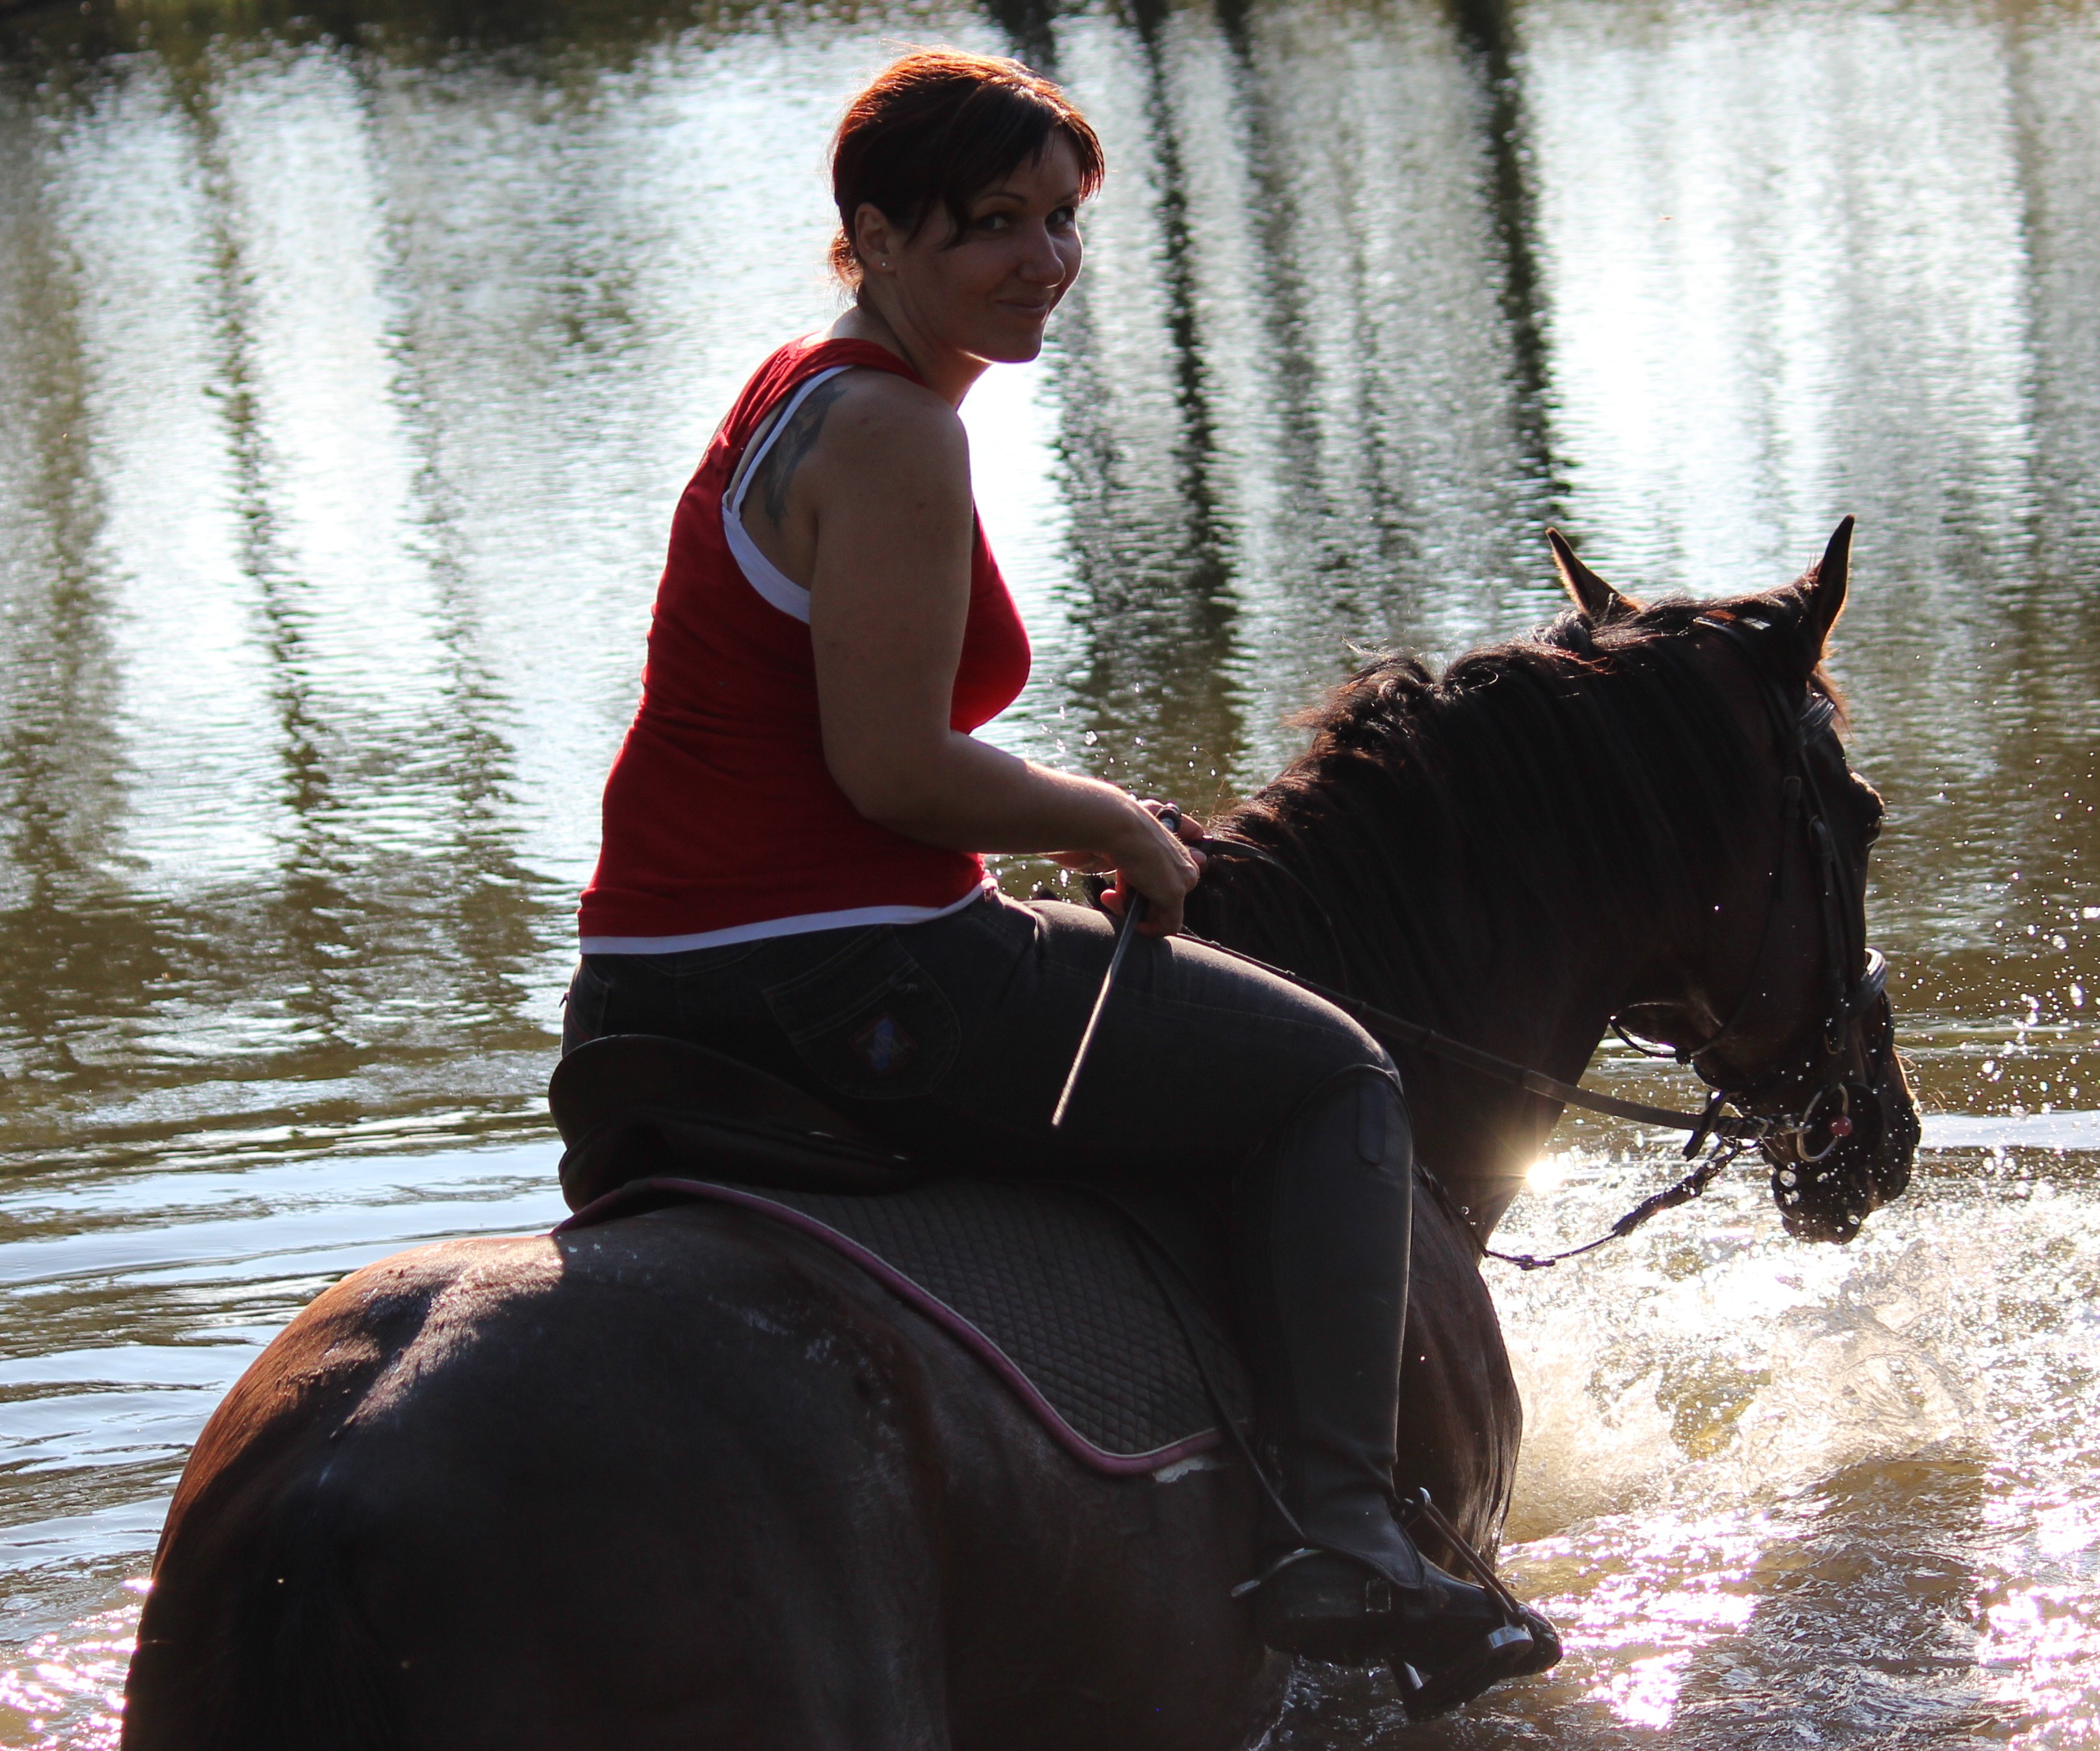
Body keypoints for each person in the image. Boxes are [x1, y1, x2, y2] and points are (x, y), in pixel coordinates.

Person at [565, 46, 1554, 1702]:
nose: (1044, 262)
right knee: (1335, 1081)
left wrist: (1060, 816)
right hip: (850, 976)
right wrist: (1109, 821)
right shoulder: (893, 433)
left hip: (652, 982)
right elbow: (890, 770)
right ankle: (1345, 1538)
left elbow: (842, 753)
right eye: (991, 227)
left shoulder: (796, 390)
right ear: (873, 235)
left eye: (1062, 221)